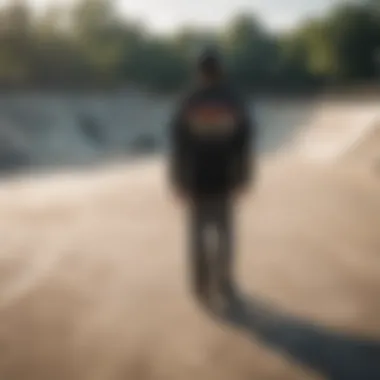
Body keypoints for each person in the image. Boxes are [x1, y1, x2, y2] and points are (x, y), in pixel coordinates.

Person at [168, 48, 256, 305]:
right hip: (224, 180)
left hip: (196, 181)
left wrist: (177, 180)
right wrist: (244, 177)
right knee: (225, 235)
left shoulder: (188, 101)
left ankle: (201, 285)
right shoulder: (233, 100)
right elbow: (243, 143)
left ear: (199, 72)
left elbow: (179, 145)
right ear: (221, 71)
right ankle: (224, 283)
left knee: (197, 236)